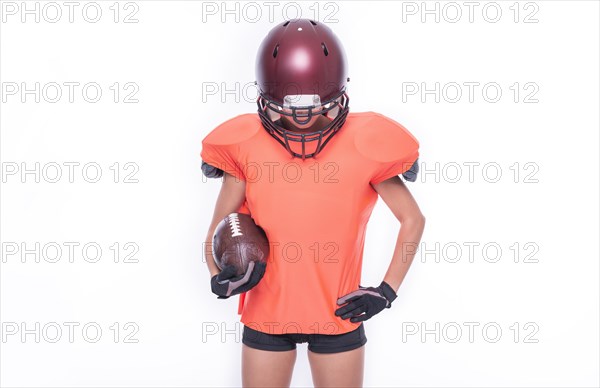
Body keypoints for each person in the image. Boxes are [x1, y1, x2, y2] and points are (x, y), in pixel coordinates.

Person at [201, 19, 425, 388]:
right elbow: (216, 228)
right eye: (287, 109)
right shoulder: (245, 144)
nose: (300, 121)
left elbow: (413, 219)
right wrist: (217, 277)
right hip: (266, 317)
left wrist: (386, 292)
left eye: (314, 108)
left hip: (338, 315)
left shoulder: (366, 143)